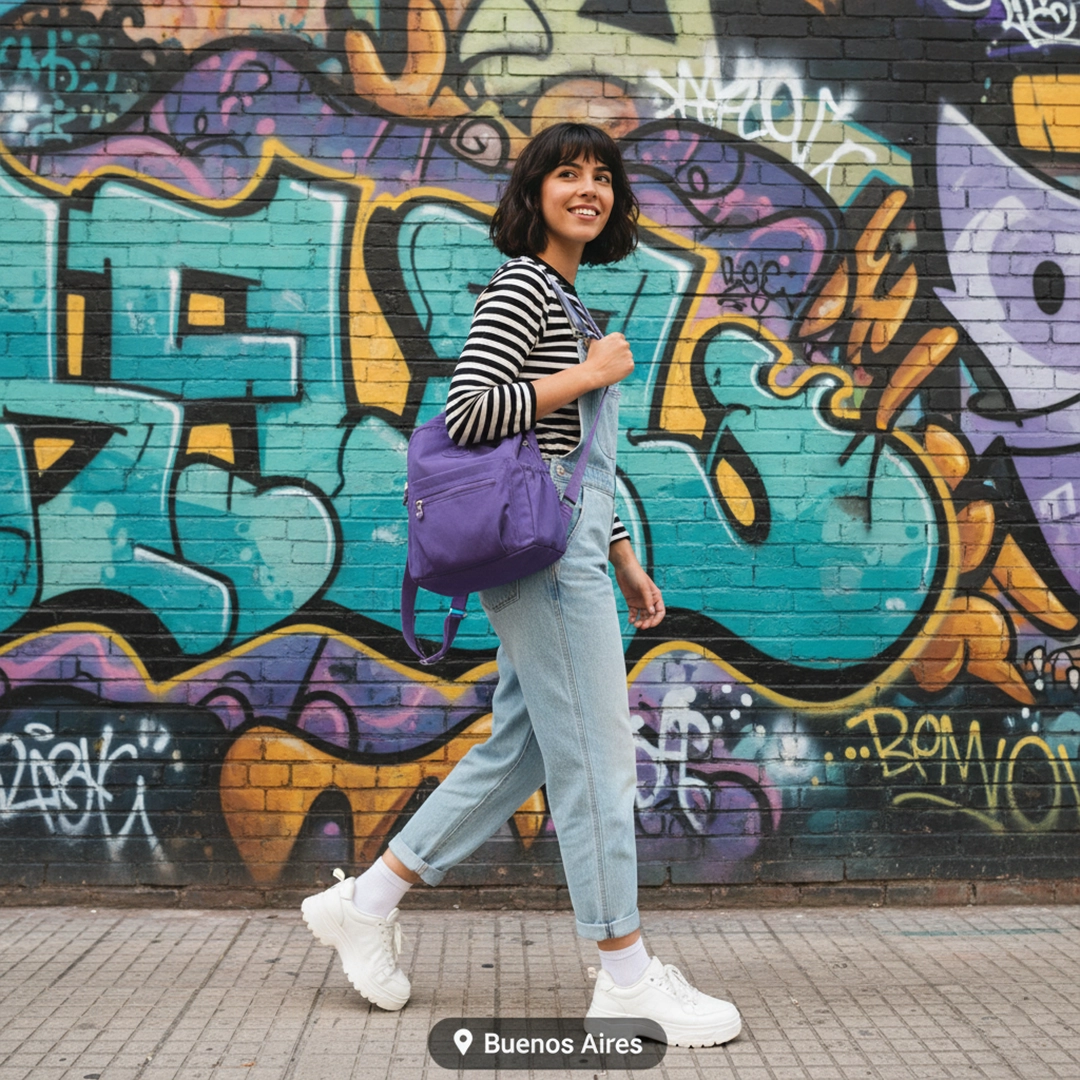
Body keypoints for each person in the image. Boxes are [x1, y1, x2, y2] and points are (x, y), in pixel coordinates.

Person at [302, 121, 742, 1048]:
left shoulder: (571, 301)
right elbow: (470, 414)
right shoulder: (523, 289)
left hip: (571, 545)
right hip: (543, 560)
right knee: (597, 760)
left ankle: (368, 902)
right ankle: (623, 975)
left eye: (602, 176)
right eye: (566, 173)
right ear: (534, 192)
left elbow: (564, 455)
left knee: (528, 749)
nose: (588, 188)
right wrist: (586, 374)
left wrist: (620, 549)